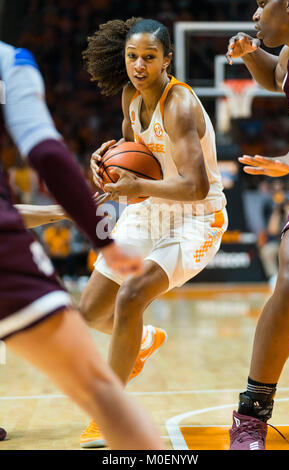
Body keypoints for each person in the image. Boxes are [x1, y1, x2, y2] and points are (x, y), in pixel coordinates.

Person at [0, 40, 164, 450]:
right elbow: (48, 154)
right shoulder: (11, 61)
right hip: (7, 261)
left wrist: (59, 212)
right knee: (100, 392)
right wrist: (104, 241)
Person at [75, 17, 227, 447]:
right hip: (150, 208)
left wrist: (136, 184)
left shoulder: (178, 105)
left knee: (132, 294)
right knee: (89, 311)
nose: (139, 66)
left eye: (149, 57)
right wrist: (107, 159)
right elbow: (135, 151)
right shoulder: (130, 96)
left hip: (198, 216)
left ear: (167, 60)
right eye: (132, 57)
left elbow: (196, 187)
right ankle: (143, 339)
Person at [226, 0, 289, 450]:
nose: (254, 13)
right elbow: (276, 79)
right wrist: (253, 54)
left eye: (260, 2)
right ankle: (251, 414)